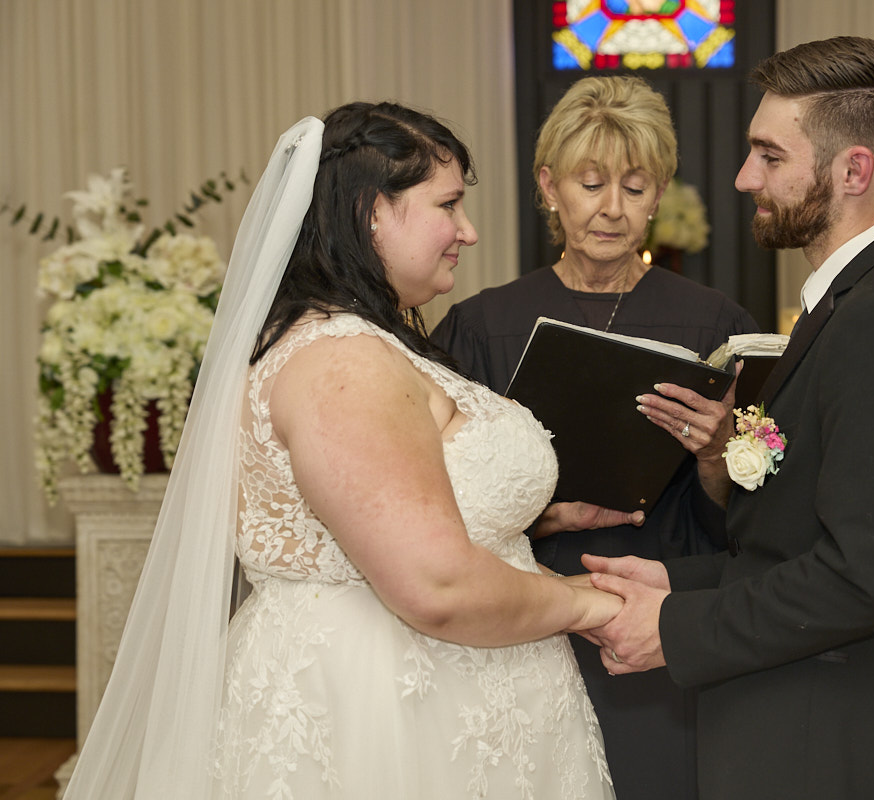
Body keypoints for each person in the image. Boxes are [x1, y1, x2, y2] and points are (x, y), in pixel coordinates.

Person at [63, 102, 620, 799]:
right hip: (382, 707)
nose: (467, 231)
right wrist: (585, 604)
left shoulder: (359, 342)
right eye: (448, 204)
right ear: (371, 212)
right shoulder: (341, 362)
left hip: (451, 697)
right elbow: (434, 585)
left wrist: (528, 517)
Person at [582, 37, 874, 800]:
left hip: (839, 749)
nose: (743, 177)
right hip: (800, 729)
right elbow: (795, 541)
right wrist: (675, 578)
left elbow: (860, 580)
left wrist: (672, 628)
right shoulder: (850, 307)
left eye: (769, 156)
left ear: (853, 171)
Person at [431, 75, 757, 800]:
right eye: (590, 184)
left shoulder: (716, 325)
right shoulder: (482, 326)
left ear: (659, 194)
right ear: (549, 187)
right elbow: (434, 503)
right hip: (525, 613)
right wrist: (545, 516)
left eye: (635, 188)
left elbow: (757, 518)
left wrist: (713, 455)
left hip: (663, 619)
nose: (612, 208)